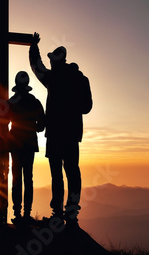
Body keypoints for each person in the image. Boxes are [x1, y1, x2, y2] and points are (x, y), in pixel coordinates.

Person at [29, 33, 92, 227]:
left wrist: (33, 46)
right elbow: (87, 107)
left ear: (55, 62)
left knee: (56, 173)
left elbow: (36, 66)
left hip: (55, 133)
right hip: (72, 134)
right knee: (73, 171)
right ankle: (71, 213)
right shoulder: (81, 79)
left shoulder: (52, 77)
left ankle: (57, 214)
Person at [8, 71, 45, 224]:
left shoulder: (11, 102)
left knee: (16, 178)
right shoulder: (34, 101)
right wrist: (33, 127)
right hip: (29, 142)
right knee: (28, 178)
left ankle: (17, 213)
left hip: (15, 142)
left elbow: (3, 121)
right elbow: (42, 125)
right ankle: (26, 214)